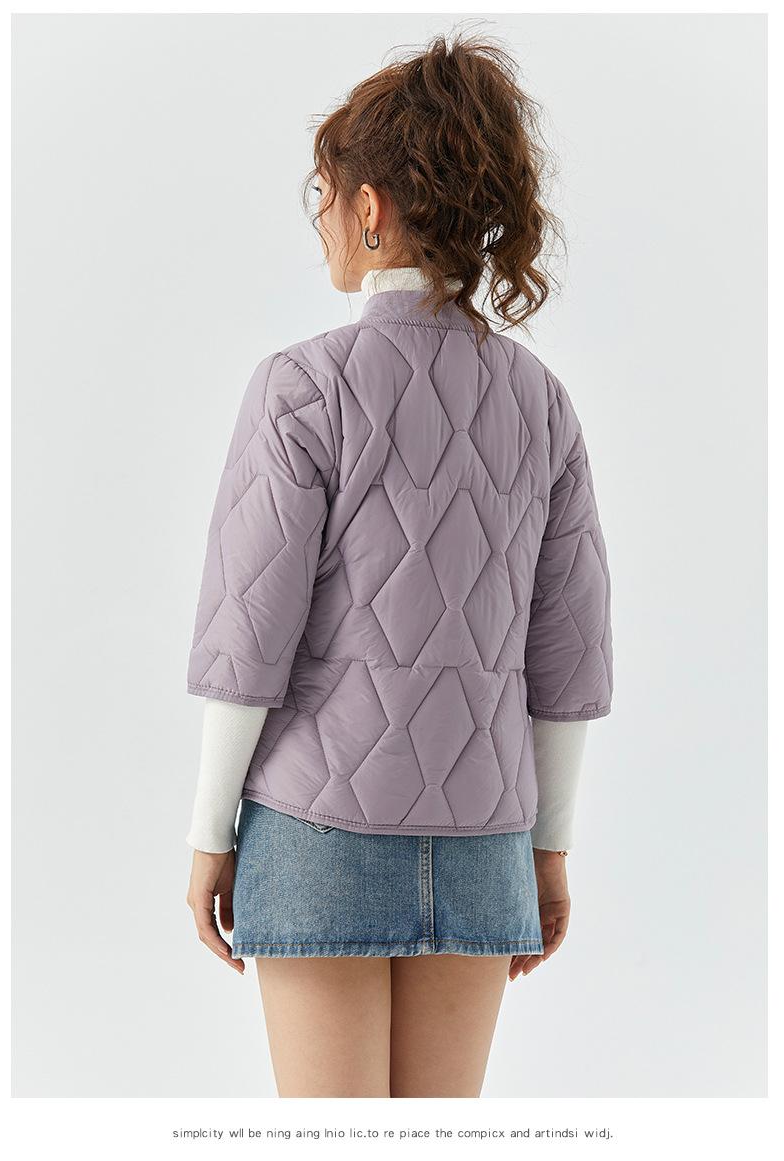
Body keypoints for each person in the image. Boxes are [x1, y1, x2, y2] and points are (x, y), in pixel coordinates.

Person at [184, 32, 613, 1098]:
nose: (324, 221)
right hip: (488, 840)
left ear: (369, 208)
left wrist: (207, 835)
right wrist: (549, 848)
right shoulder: (543, 404)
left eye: (324, 196)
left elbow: (248, 639)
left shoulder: (302, 388)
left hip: (317, 832)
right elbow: (568, 661)